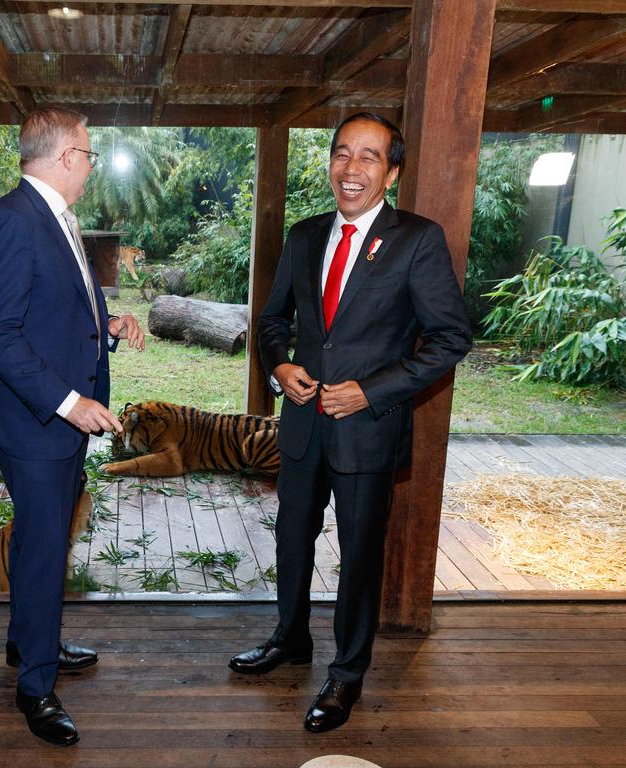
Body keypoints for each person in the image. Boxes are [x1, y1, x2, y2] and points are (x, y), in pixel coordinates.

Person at [229, 112, 472, 733]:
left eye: (369, 157)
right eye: (342, 154)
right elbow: (273, 319)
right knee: (290, 539)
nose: (351, 168)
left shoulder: (417, 239)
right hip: (305, 424)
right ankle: (289, 639)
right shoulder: (307, 235)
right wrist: (280, 367)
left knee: (359, 556)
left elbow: (448, 340)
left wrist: (371, 392)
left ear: (391, 171)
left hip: (368, 431)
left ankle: (346, 675)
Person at [0, 106, 145, 747]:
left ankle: (26, 641)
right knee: (44, 546)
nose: (92, 165)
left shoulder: (52, 216)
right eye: (89, 153)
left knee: (42, 537)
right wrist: (69, 402)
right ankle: (36, 687)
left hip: (53, 416)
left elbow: (55, 309)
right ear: (66, 156)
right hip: (34, 420)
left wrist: (109, 325)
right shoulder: (13, 221)